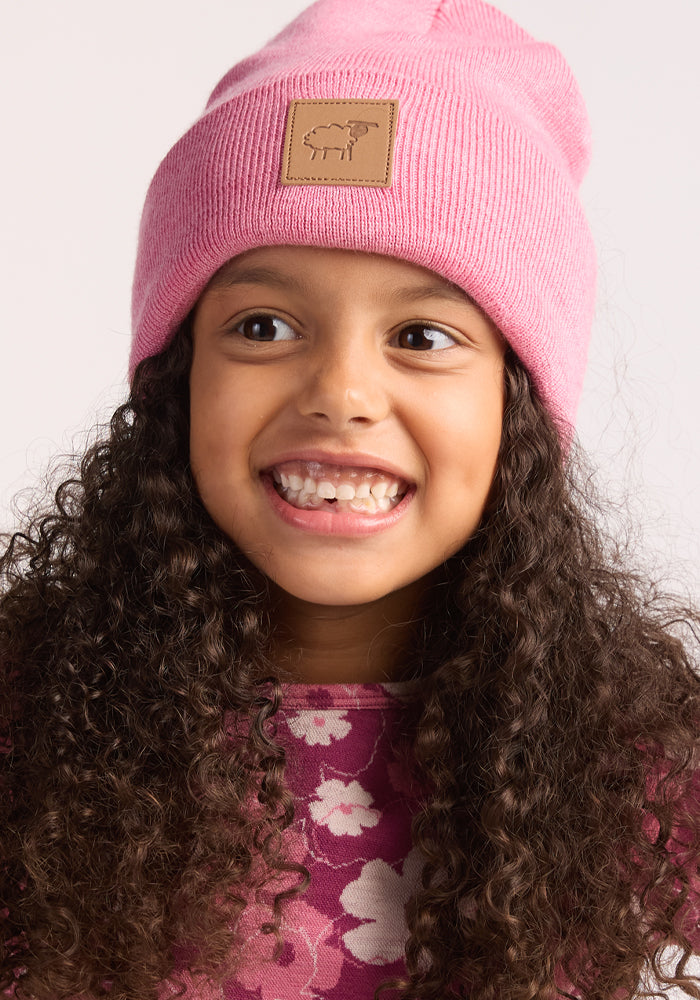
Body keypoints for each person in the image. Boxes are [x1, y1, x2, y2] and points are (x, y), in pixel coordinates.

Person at [1, 0, 698, 997]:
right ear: (176, 380)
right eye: (265, 326)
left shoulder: (624, 761)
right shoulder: (32, 726)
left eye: (420, 338)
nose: (339, 392)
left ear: (519, 413)